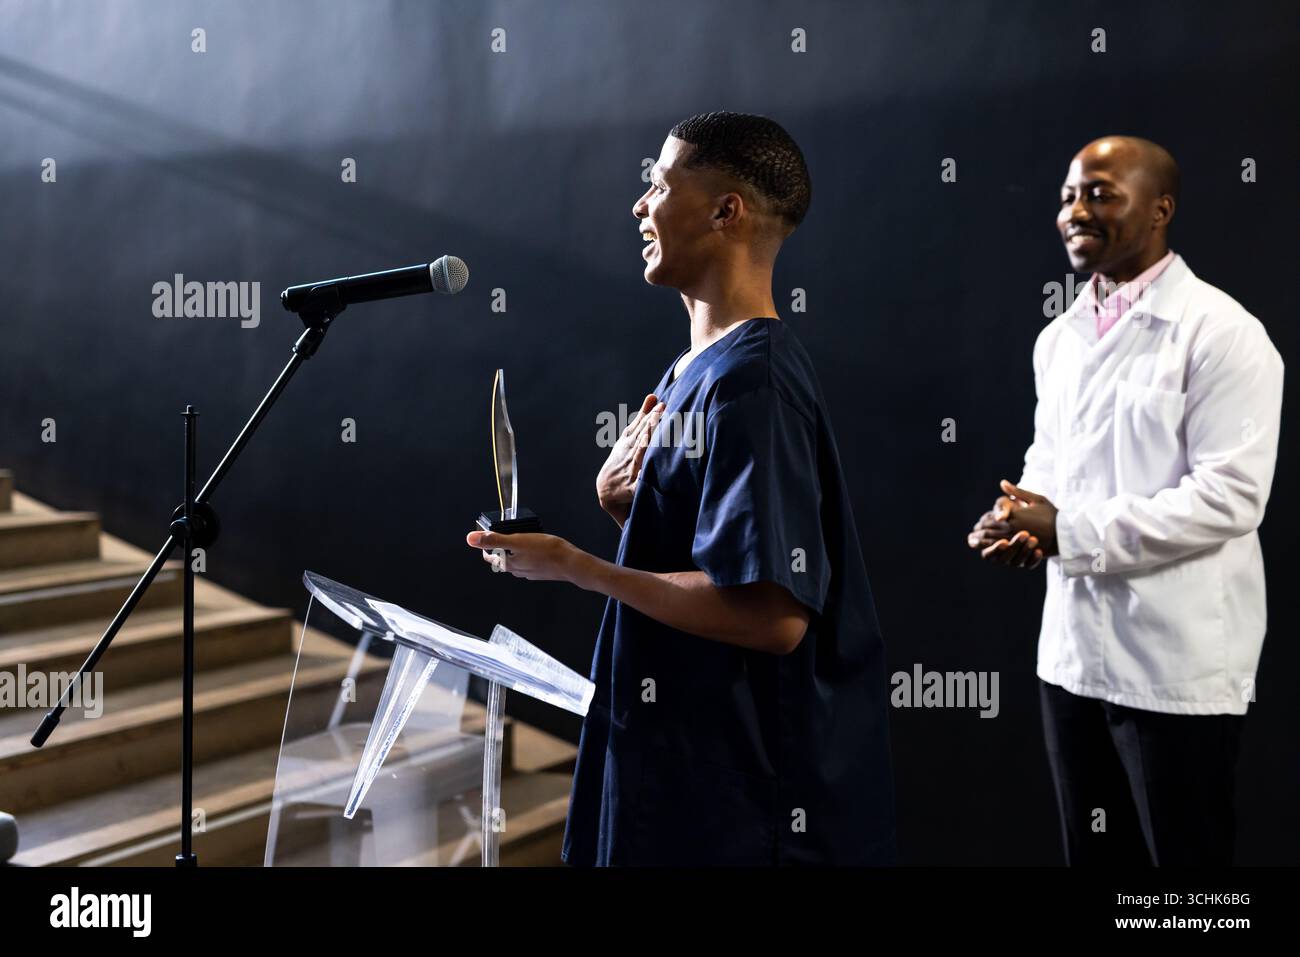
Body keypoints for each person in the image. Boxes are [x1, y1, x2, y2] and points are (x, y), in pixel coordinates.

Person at [466, 111, 896, 865]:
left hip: (739, 804)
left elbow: (773, 614)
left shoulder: (750, 382)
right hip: (680, 776)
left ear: (725, 210)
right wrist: (630, 513)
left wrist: (577, 564)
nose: (639, 206)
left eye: (658, 186)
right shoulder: (694, 371)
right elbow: (712, 556)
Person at [967, 136, 1284, 865]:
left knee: (1185, 889)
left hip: (1175, 663)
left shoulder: (1223, 334)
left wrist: (1067, 529)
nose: (1075, 211)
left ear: (1162, 208)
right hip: (1072, 658)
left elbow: (1230, 497)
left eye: (1101, 193)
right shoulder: (1059, 339)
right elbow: (1051, 459)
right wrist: (1019, 517)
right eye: (1067, 196)